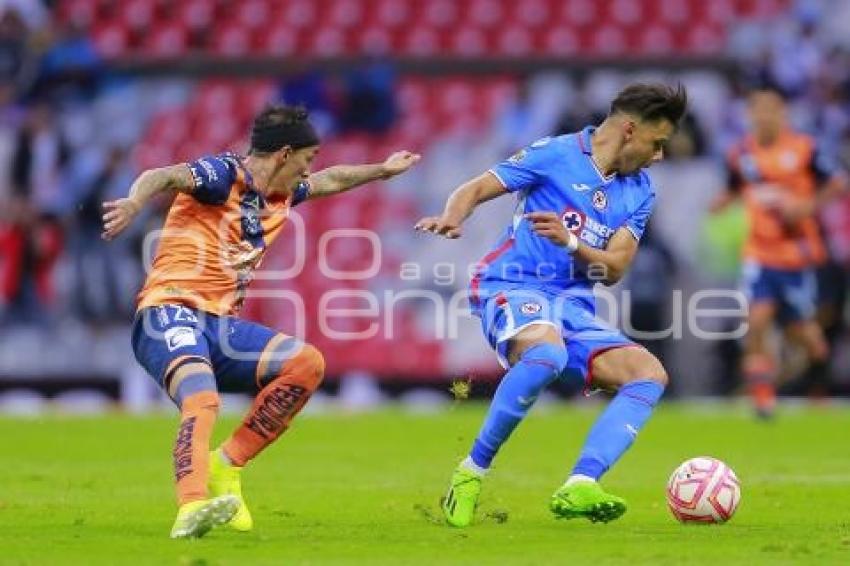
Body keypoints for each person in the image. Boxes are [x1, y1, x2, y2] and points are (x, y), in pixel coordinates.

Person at [102, 105, 419, 538]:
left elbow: (333, 180)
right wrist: (135, 201)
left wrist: (382, 170)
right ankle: (191, 505)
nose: (311, 169)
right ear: (285, 153)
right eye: (307, 159)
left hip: (220, 327)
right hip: (168, 311)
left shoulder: (282, 193)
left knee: (306, 364)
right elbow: (164, 174)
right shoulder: (222, 176)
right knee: (202, 400)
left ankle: (226, 464)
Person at [416, 83, 687, 527]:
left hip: (573, 305)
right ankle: (471, 472)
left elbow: (615, 267)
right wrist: (452, 217)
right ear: (629, 130)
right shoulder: (555, 153)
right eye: (656, 144)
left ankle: (581, 482)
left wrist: (571, 241)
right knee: (547, 353)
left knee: (649, 374)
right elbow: (476, 188)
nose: (658, 156)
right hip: (511, 284)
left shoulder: (640, 190)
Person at [711, 88, 848, 418]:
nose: (764, 117)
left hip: (797, 256)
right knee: (756, 321)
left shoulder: (804, 149)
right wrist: (719, 206)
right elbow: (733, 189)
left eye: (771, 110)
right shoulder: (740, 154)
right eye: (758, 111)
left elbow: (838, 183)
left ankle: (819, 389)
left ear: (783, 114)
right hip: (759, 254)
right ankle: (763, 398)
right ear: (750, 116)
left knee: (808, 338)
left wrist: (807, 206)